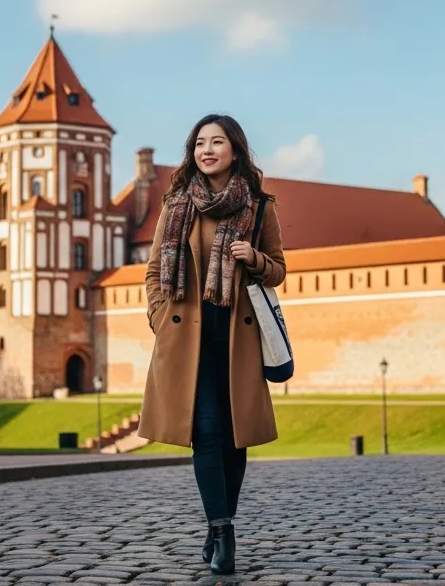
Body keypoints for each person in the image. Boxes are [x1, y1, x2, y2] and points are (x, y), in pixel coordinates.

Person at [137, 113, 286, 576]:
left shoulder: (260, 206)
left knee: (234, 437)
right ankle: (222, 531)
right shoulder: (177, 203)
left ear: (235, 151)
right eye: (200, 142)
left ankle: (219, 521)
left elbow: (279, 269)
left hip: (236, 337)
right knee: (206, 433)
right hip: (188, 339)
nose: (207, 149)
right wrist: (162, 319)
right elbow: (153, 274)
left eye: (217, 142)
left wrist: (254, 258)